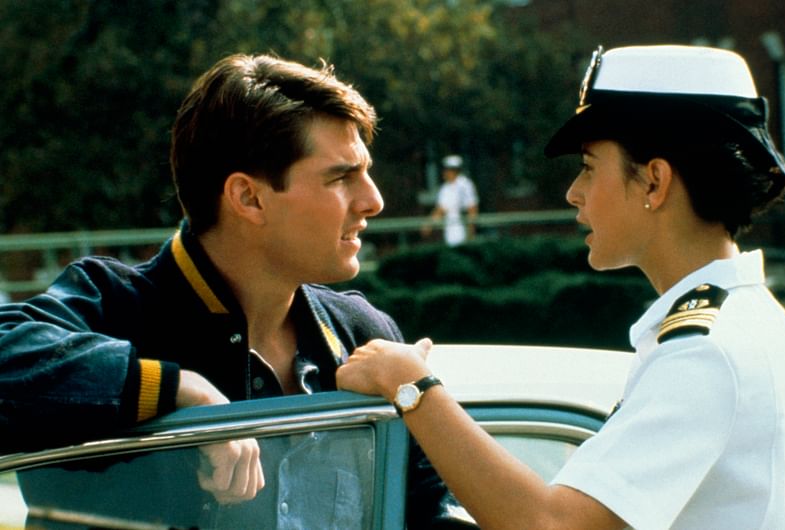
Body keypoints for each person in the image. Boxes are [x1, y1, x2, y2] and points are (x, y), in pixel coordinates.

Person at [337, 45, 785, 529]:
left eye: (590, 167)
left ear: (654, 182)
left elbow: (550, 526)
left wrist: (411, 385)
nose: (574, 192)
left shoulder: (705, 353)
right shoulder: (750, 323)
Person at [0, 53, 459, 528]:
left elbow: (430, 517)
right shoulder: (114, 307)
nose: (374, 200)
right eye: (341, 177)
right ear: (248, 197)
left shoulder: (364, 335)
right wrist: (181, 391)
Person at [424, 154, 479, 246]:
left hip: (463, 228)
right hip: (450, 231)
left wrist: (471, 232)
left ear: (454, 171)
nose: (444, 172)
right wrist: (429, 224)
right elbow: (441, 209)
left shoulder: (465, 185)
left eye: (447, 170)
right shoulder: (445, 188)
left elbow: (472, 208)